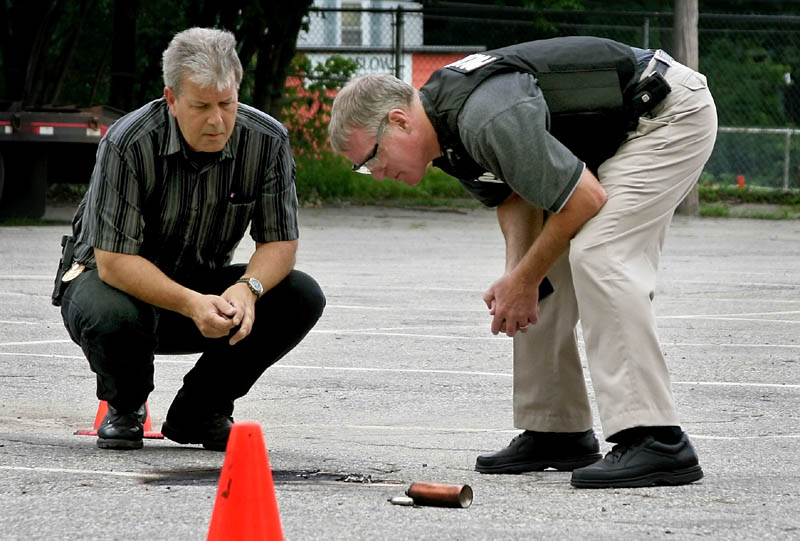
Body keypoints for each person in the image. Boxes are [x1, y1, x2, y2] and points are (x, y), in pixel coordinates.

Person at [328, 36, 716, 488]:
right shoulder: (444, 134)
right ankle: (558, 430)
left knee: (601, 256)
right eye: (363, 168)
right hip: (616, 137)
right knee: (539, 278)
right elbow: (513, 195)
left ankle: (657, 440)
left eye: (371, 159)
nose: (375, 175)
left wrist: (524, 277)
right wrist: (520, 275)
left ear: (398, 121)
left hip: (665, 115)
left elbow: (584, 198)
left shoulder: (484, 115)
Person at [54, 27, 325, 451]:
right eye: (201, 106)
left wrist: (247, 290)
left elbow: (280, 242)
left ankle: (202, 411)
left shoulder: (267, 141)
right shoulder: (127, 143)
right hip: (111, 286)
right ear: (172, 99)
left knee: (300, 295)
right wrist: (192, 303)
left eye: (227, 104)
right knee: (112, 313)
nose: (217, 120)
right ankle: (126, 406)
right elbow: (114, 261)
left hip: (200, 285)